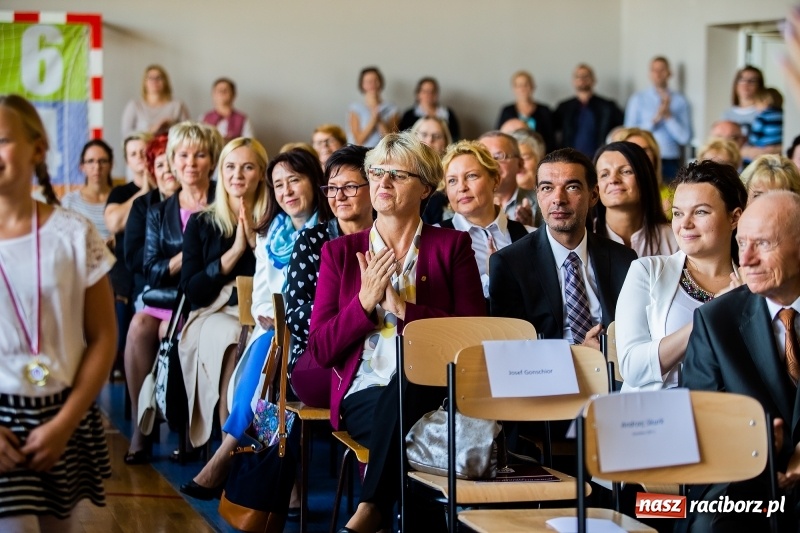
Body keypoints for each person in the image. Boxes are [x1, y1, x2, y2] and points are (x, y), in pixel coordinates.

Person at [306, 132, 485, 533]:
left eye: (397, 175)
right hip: (365, 393)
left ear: (425, 188)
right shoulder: (340, 253)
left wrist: (403, 310)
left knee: (410, 378)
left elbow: (472, 338)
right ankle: (386, 512)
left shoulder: (453, 246)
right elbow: (320, 349)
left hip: (438, 389)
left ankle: (372, 505)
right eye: (376, 173)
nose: (383, 182)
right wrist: (363, 303)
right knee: (417, 429)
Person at [180, 147, 331, 499]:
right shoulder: (270, 234)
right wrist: (273, 315)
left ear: (314, 182)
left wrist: (288, 319)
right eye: (278, 185)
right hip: (276, 333)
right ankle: (280, 485)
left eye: (295, 180)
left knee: (272, 362)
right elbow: (261, 296)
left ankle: (230, 456)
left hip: (317, 335)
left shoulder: (331, 231)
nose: (286, 191)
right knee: (271, 364)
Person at [0, 94, 117, 531]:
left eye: (2, 140)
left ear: (37, 149)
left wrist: (65, 422)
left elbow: (103, 336)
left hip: (63, 414)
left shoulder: (73, 232)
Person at [681, 190, 800, 532]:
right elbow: (699, 424)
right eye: (741, 243)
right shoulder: (716, 321)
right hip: (746, 481)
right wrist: (754, 446)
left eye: (762, 244)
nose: (745, 259)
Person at [124, 122, 221, 463]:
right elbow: (150, 269)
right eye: (183, 155)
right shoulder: (158, 211)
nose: (190, 163)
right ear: (172, 160)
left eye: (200, 155)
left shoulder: (222, 200)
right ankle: (143, 425)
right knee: (139, 326)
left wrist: (189, 264)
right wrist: (187, 255)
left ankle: (189, 430)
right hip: (167, 298)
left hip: (205, 298)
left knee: (173, 330)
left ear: (212, 160)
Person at [615, 160, 746, 392]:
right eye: (677, 213)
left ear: (735, 218)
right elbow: (632, 369)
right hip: (660, 408)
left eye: (700, 212)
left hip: (732, 409)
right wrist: (709, 315)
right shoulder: (646, 271)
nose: (685, 224)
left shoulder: (751, 283)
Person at [489, 148, 637, 349]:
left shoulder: (623, 259)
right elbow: (511, 350)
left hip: (614, 364)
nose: (558, 199)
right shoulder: (510, 264)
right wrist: (580, 354)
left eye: (572, 187)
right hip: (546, 367)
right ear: (538, 196)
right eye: (547, 188)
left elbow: (636, 334)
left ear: (593, 195)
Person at [178, 137, 268, 451]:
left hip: (262, 312)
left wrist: (256, 244)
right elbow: (193, 291)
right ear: (221, 172)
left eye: (247, 167)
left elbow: (281, 279)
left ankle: (260, 446)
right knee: (234, 337)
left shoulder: (275, 220)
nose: (237, 175)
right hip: (214, 311)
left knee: (260, 340)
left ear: (262, 173)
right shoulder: (201, 223)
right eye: (230, 167)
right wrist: (235, 252)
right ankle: (227, 443)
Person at [287, 145, 375, 408]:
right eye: (332, 188)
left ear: (373, 187)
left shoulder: (388, 239)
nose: (339, 196)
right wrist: (357, 309)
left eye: (350, 187)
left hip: (380, 344)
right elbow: (296, 315)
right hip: (321, 353)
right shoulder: (311, 240)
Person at [440, 140, 530, 304]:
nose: (462, 187)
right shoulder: (433, 239)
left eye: (471, 176)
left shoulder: (530, 235)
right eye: (452, 180)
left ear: (495, 180)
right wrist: (490, 277)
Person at [124, 133, 180, 310]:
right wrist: (170, 247)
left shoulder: (195, 200)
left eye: (171, 162)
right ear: (152, 171)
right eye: (160, 165)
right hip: (151, 285)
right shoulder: (142, 205)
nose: (167, 170)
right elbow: (133, 258)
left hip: (190, 284)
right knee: (139, 324)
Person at [593, 141, 678, 257]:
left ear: (645, 178)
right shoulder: (583, 237)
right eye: (604, 174)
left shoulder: (674, 239)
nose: (613, 180)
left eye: (626, 171)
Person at [624, 57, 692, 182]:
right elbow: (628, 132)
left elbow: (684, 138)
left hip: (670, 160)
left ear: (669, 73)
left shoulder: (680, 101)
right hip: (642, 156)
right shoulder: (638, 99)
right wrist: (656, 118)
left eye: (662, 70)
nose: (658, 74)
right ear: (650, 74)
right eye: (655, 70)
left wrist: (668, 116)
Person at [553, 63, 624, 157]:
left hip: (599, 157)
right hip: (569, 157)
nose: (582, 79)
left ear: (593, 79)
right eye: (578, 76)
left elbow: (622, 128)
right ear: (573, 81)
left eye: (585, 76)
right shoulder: (564, 107)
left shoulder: (608, 107)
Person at [478, 131, 539, 226]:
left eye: (499, 157)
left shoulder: (541, 202)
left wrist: (529, 230)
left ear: (520, 164)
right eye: (484, 158)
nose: (491, 164)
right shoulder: (467, 204)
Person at [61, 139, 114, 242]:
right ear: (82, 166)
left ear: (111, 165)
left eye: (102, 161)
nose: (97, 167)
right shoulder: (70, 201)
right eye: (90, 161)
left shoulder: (122, 198)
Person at [121, 65, 190, 138]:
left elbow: (189, 132)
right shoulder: (134, 105)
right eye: (150, 78)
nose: (154, 81)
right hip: (143, 145)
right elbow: (126, 134)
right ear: (144, 82)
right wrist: (152, 129)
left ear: (165, 81)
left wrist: (172, 125)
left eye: (159, 78)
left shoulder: (178, 105)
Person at [496, 70, 556, 153]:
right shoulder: (507, 111)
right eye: (519, 85)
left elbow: (551, 139)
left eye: (526, 85)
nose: (523, 88)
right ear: (514, 88)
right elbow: (499, 136)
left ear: (532, 86)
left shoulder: (544, 110)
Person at [412, 116, 453, 224]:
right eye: (424, 134)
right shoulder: (400, 169)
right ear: (413, 137)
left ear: (446, 142)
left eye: (436, 136)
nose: (430, 140)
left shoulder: (452, 173)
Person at [347, 66, 398, 148]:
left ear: (381, 82)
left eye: (375, 80)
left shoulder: (391, 108)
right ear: (362, 85)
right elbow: (358, 140)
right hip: (360, 151)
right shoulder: (355, 108)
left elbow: (391, 141)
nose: (372, 84)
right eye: (368, 81)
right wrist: (373, 120)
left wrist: (379, 120)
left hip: (383, 151)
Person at [200, 77, 254, 143]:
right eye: (219, 90)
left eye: (226, 90)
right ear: (213, 94)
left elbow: (249, 143)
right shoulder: (204, 118)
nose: (222, 93)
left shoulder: (243, 119)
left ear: (233, 94)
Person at [721, 65, 765, 137]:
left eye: (752, 81)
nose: (745, 84)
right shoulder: (727, 114)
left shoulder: (764, 112)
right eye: (741, 80)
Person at [741, 87, 784, 161]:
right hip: (778, 148)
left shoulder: (762, 116)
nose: (756, 107)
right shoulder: (782, 114)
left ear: (765, 101)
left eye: (756, 104)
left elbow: (755, 135)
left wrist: (750, 145)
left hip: (763, 147)